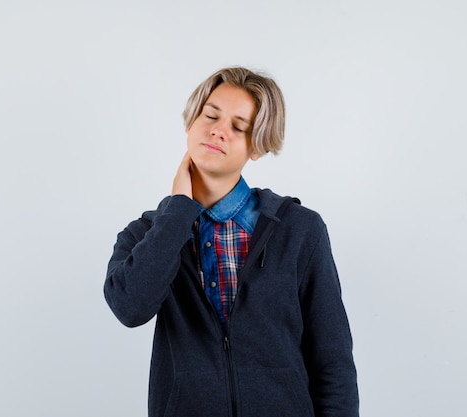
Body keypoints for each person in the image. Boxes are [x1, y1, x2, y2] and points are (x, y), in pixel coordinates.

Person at [104, 67, 359, 417]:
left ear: (256, 147)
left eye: (238, 127)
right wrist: (179, 212)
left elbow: (333, 363)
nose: (218, 131)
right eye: (210, 115)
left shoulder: (299, 230)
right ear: (191, 123)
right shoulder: (148, 234)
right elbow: (129, 308)